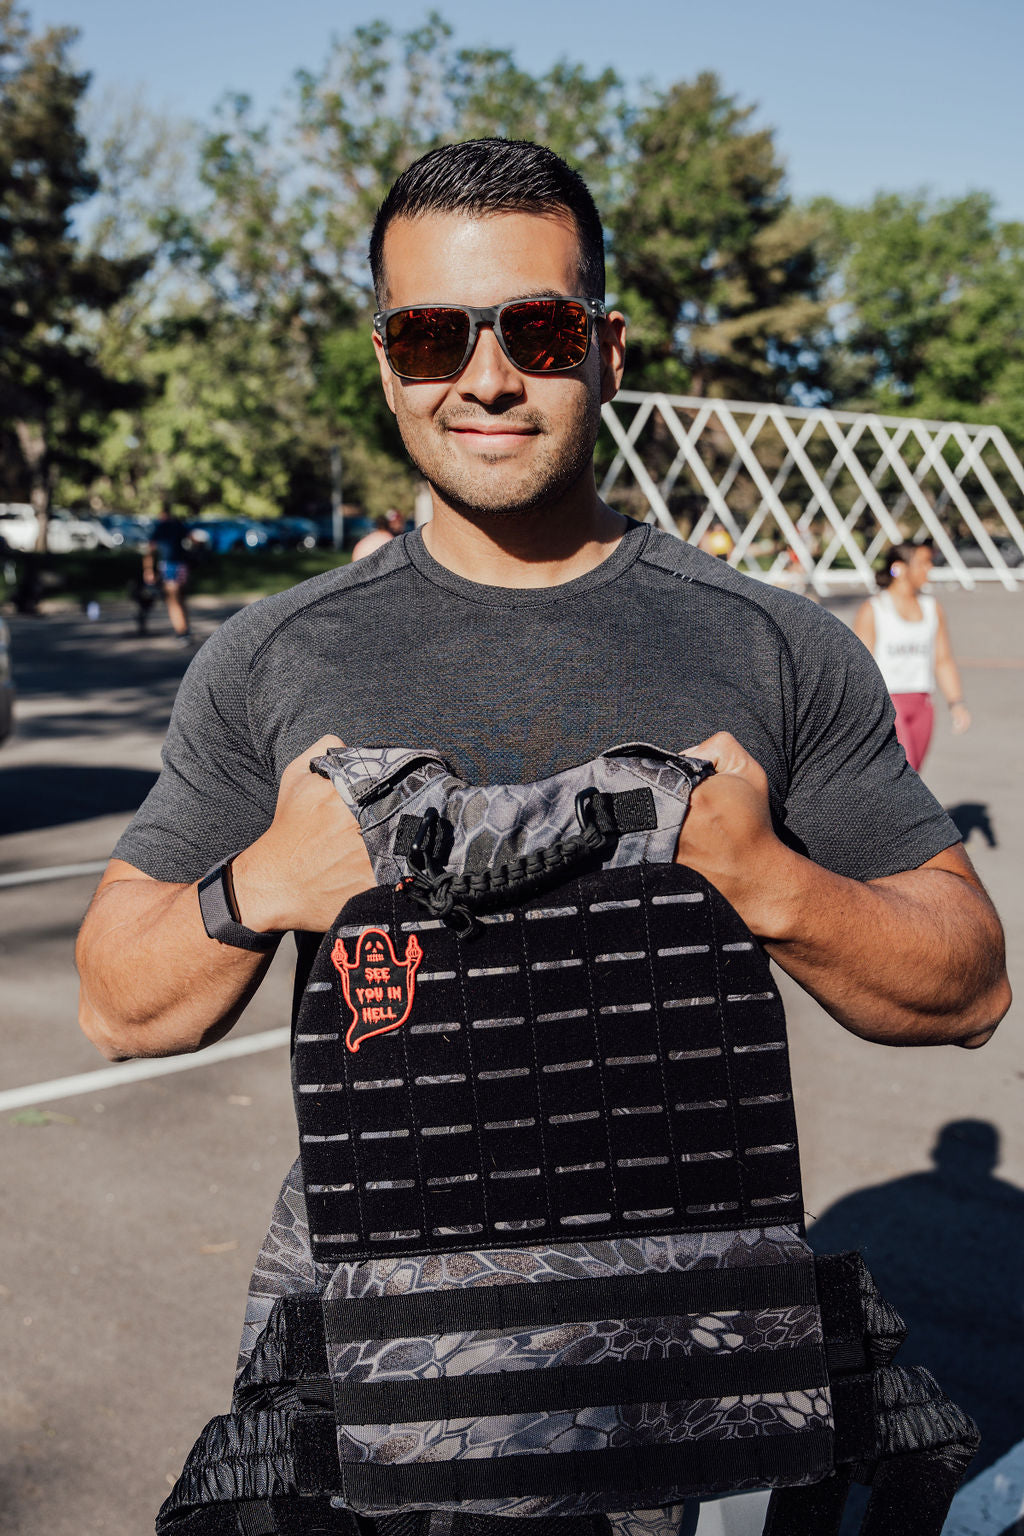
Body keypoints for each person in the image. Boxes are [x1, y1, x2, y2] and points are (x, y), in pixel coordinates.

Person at [76, 139, 1009, 1528]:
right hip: (395, 1391)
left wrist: (770, 881)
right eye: (432, 332)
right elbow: (115, 1000)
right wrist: (264, 882)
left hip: (683, 1399)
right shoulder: (272, 659)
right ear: (389, 360)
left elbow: (972, 982)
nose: (488, 374)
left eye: (540, 326)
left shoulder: (774, 646)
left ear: (609, 349)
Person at [853, 541, 970, 772]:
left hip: (922, 702)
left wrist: (956, 702)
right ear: (899, 568)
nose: (929, 569)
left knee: (914, 774)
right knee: (904, 771)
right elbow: (860, 667)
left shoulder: (931, 607)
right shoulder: (875, 608)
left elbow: (943, 659)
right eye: (922, 563)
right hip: (888, 702)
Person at [143, 505, 193, 645]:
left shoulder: (160, 527)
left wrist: (148, 569)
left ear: (161, 514)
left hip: (169, 566)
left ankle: (182, 633)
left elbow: (150, 550)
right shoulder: (178, 524)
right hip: (182, 566)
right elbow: (192, 539)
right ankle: (186, 629)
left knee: (172, 601)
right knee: (181, 599)